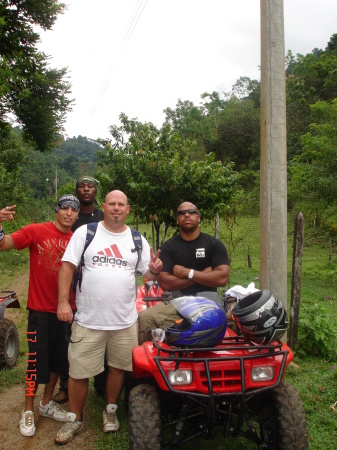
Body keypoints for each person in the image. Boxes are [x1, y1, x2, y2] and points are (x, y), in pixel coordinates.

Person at [54, 190, 163, 445]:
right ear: (103, 207)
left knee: (118, 367)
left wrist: (154, 271)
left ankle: (110, 410)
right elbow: (67, 267)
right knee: (78, 372)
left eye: (121, 205)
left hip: (124, 321)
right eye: (111, 204)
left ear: (128, 210)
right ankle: (75, 418)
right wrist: (63, 302)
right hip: (88, 319)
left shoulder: (137, 239)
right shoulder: (86, 233)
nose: (116, 208)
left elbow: (147, 275)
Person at [0, 195, 80, 437]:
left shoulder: (79, 240)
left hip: (67, 311)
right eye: (64, 208)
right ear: (56, 211)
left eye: (73, 210)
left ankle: (45, 404)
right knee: (35, 361)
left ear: (78, 215)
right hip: (40, 310)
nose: (68, 213)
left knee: (58, 360)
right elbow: (4, 244)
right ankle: (27, 409)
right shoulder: (37, 231)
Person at [138, 201, 230, 344]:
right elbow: (166, 283)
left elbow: (222, 278)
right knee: (145, 317)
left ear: (198, 217)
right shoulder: (168, 247)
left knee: (234, 324)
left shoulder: (214, 245)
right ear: (177, 220)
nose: (186, 215)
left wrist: (188, 272)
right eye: (182, 213)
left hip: (209, 302)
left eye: (191, 212)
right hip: (178, 304)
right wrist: (201, 275)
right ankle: (149, 363)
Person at [53, 176, 105, 404]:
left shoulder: (103, 219)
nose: (86, 189)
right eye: (82, 186)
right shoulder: (70, 217)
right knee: (68, 335)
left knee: (101, 331)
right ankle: (65, 384)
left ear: (95, 191)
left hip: (97, 284)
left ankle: (101, 385)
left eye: (90, 186)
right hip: (72, 280)